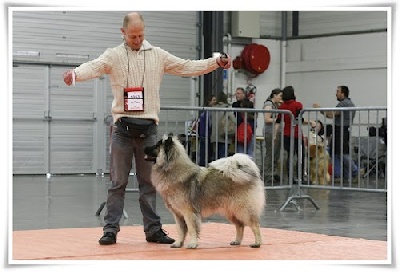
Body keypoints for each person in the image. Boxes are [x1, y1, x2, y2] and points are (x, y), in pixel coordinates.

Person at [62, 12, 232, 246]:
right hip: (122, 129)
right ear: (123, 33)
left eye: (141, 35)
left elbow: (186, 66)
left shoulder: (158, 55)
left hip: (148, 131)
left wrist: (215, 62)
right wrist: (75, 75)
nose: (137, 39)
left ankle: (153, 230)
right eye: (133, 36)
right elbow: (95, 66)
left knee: (149, 184)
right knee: (117, 183)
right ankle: (110, 229)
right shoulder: (113, 55)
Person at [313, 85, 358, 181]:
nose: (336, 93)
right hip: (342, 130)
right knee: (337, 153)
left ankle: (355, 171)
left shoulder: (344, 104)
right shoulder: (349, 103)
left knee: (342, 153)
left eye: (338, 91)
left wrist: (319, 108)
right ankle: (343, 175)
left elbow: (330, 114)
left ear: (343, 93)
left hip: (341, 130)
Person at [275, 86, 315, 182]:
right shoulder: (298, 105)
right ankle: (300, 177)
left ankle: (290, 177)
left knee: (290, 156)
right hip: (296, 134)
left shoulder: (282, 107)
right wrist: (310, 122)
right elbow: (299, 119)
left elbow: (278, 121)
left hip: (286, 134)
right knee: (300, 156)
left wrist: (275, 135)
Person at [263, 88, 283, 183]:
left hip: (276, 131)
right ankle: (267, 174)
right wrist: (279, 119)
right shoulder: (269, 104)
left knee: (275, 154)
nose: (281, 98)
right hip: (270, 132)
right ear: (274, 95)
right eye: (280, 96)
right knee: (270, 153)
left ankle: (273, 173)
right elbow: (267, 119)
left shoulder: (276, 105)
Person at [211, 92, 236, 159]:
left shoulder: (213, 108)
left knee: (216, 156)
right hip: (225, 136)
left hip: (214, 136)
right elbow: (233, 120)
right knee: (223, 157)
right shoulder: (227, 108)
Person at [198, 94, 216, 166]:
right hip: (206, 135)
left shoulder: (204, 110)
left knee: (204, 153)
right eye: (214, 100)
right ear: (209, 102)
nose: (215, 102)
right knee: (206, 153)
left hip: (204, 134)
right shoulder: (209, 111)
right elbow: (210, 124)